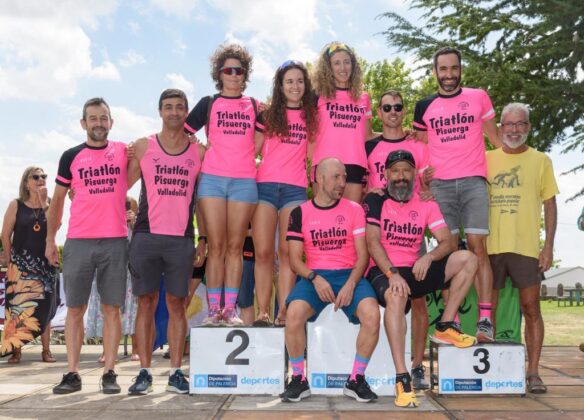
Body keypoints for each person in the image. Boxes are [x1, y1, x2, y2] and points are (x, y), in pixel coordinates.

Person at [364, 150, 478, 408]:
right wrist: (392, 273)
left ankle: (445, 325)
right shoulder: (375, 199)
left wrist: (428, 257)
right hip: (384, 269)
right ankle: (402, 378)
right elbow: (372, 242)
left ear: (414, 174)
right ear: (386, 174)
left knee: (468, 259)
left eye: (406, 170)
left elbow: (448, 241)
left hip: (415, 268)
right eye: (395, 171)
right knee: (396, 295)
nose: (401, 176)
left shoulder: (426, 203)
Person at [413, 46, 502, 342]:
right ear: (435, 72)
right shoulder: (424, 106)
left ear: (461, 70)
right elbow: (421, 148)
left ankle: (485, 320)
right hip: (440, 186)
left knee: (478, 247)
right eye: (443, 69)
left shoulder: (478, 97)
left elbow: (496, 139)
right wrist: (423, 183)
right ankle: (453, 322)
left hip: (474, 181)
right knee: (447, 250)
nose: (449, 74)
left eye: (454, 68)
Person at [281, 158, 380, 403]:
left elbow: (363, 256)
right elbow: (294, 261)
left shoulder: (354, 209)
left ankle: (356, 379)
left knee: (372, 315)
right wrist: (315, 278)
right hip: (315, 276)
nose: (342, 183)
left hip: (349, 274)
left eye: (344, 177)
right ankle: (298, 378)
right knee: (293, 315)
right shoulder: (299, 212)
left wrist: (351, 284)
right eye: (337, 177)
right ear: (320, 178)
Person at [46, 97, 128, 394]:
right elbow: (57, 200)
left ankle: (110, 373)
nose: (99, 123)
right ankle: (72, 373)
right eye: (93, 118)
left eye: (104, 118)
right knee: (75, 309)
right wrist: (50, 240)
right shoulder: (70, 156)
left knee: (112, 309)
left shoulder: (123, 151)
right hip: (79, 241)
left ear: (111, 122)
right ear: (83, 123)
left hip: (115, 240)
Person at [126, 88, 205, 395]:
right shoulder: (143, 146)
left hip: (181, 239)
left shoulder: (198, 152)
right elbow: (120, 184)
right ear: (160, 111)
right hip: (146, 236)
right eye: (168, 107)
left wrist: (204, 238)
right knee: (146, 303)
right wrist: (81, 192)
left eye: (179, 107)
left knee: (177, 305)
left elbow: (203, 201)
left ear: (186, 112)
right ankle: (144, 372)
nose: (174, 112)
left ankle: (175, 373)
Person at [184, 43, 264, 326]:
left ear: (245, 75)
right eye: (228, 70)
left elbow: (261, 140)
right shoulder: (208, 103)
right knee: (216, 247)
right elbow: (185, 133)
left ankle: (230, 310)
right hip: (213, 180)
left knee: (235, 247)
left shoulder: (256, 106)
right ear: (219, 74)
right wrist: (198, 147)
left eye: (238, 71)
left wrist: (247, 157)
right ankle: (213, 310)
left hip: (244, 181)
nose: (233, 75)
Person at [486, 103, 559, 394]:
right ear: (500, 128)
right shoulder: (485, 158)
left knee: (531, 309)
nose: (514, 130)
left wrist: (548, 247)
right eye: (509, 124)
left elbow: (550, 204)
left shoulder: (541, 160)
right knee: (487, 311)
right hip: (490, 246)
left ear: (528, 127)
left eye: (520, 124)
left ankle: (533, 372)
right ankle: (491, 373)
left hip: (526, 248)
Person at [365, 90, 432, 389]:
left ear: (404, 111)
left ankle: (416, 366)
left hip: (412, 232)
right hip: (381, 230)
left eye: (398, 107)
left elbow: (429, 183)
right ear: (379, 112)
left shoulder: (417, 145)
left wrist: (428, 193)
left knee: (419, 300)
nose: (393, 111)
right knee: (386, 295)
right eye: (387, 107)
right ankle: (386, 365)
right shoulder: (369, 145)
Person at [252, 60, 318, 326]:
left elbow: (313, 155)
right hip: (264, 188)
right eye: (289, 81)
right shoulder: (267, 116)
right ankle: (263, 312)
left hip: (295, 190)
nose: (295, 86)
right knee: (263, 252)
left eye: (300, 81)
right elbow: (251, 150)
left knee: (288, 252)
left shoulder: (311, 117)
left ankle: (284, 311)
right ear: (280, 86)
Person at [1, 167, 59, 363]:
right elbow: (5, 235)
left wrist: (44, 204)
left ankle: (46, 350)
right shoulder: (16, 205)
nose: (41, 179)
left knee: (45, 308)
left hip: (46, 265)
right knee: (17, 309)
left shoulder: (50, 204)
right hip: (20, 267)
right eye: (36, 177)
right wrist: (10, 259)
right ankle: (16, 350)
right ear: (26, 183)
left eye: (44, 176)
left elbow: (56, 225)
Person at [312, 42, 374, 203]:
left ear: (353, 65)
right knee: (324, 217)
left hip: (355, 166)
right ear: (328, 67)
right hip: (324, 166)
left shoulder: (364, 97)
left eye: (347, 62)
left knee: (352, 217)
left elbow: (367, 136)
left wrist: (403, 136)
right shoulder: (316, 96)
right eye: (337, 63)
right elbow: (308, 135)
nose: (343, 67)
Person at [85, 196, 140, 362]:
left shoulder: (131, 202)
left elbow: (140, 236)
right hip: (106, 260)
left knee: (133, 307)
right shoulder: (101, 201)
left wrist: (133, 222)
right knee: (106, 307)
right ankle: (107, 351)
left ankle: (136, 349)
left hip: (128, 265)